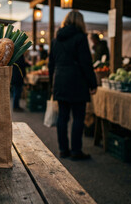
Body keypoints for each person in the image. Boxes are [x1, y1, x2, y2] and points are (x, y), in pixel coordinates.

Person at [48, 10, 97, 161]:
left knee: (62, 117)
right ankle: (76, 151)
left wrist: (52, 84)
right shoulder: (81, 38)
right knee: (78, 117)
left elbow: (51, 65)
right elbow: (86, 63)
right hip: (77, 81)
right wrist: (92, 83)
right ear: (80, 22)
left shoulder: (56, 40)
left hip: (61, 81)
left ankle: (63, 150)